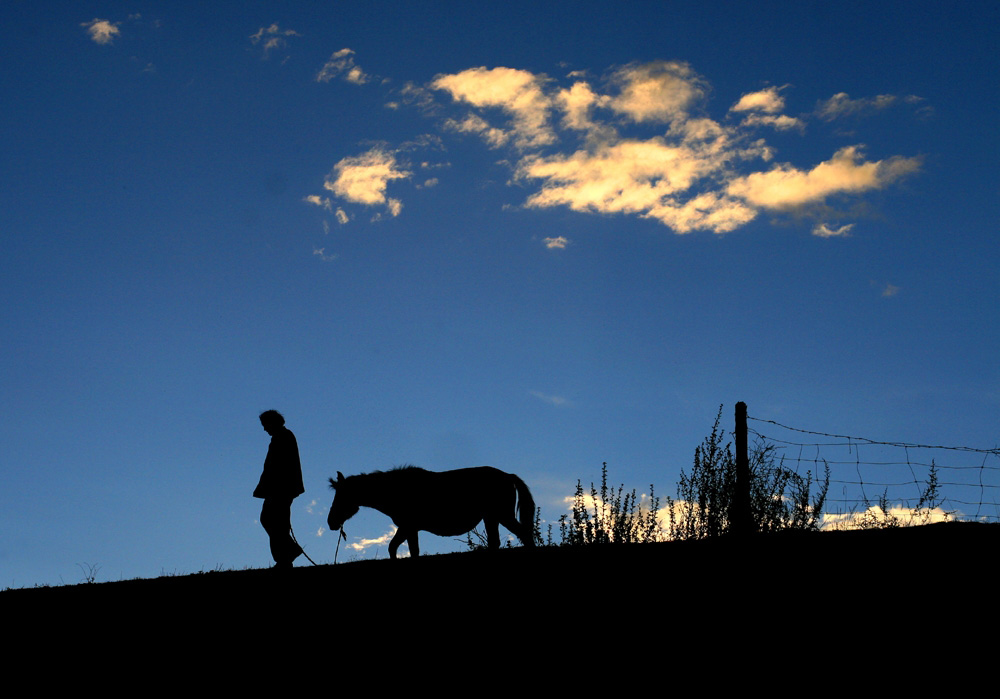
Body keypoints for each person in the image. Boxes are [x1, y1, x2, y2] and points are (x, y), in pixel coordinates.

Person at [254, 410, 305, 569]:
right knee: (273, 520)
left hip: (281, 488)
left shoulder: (284, 437)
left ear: (272, 422)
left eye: (265, 425)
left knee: (273, 520)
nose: (264, 429)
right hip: (280, 487)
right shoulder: (282, 436)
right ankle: (285, 557)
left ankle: (286, 557)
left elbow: (279, 466)